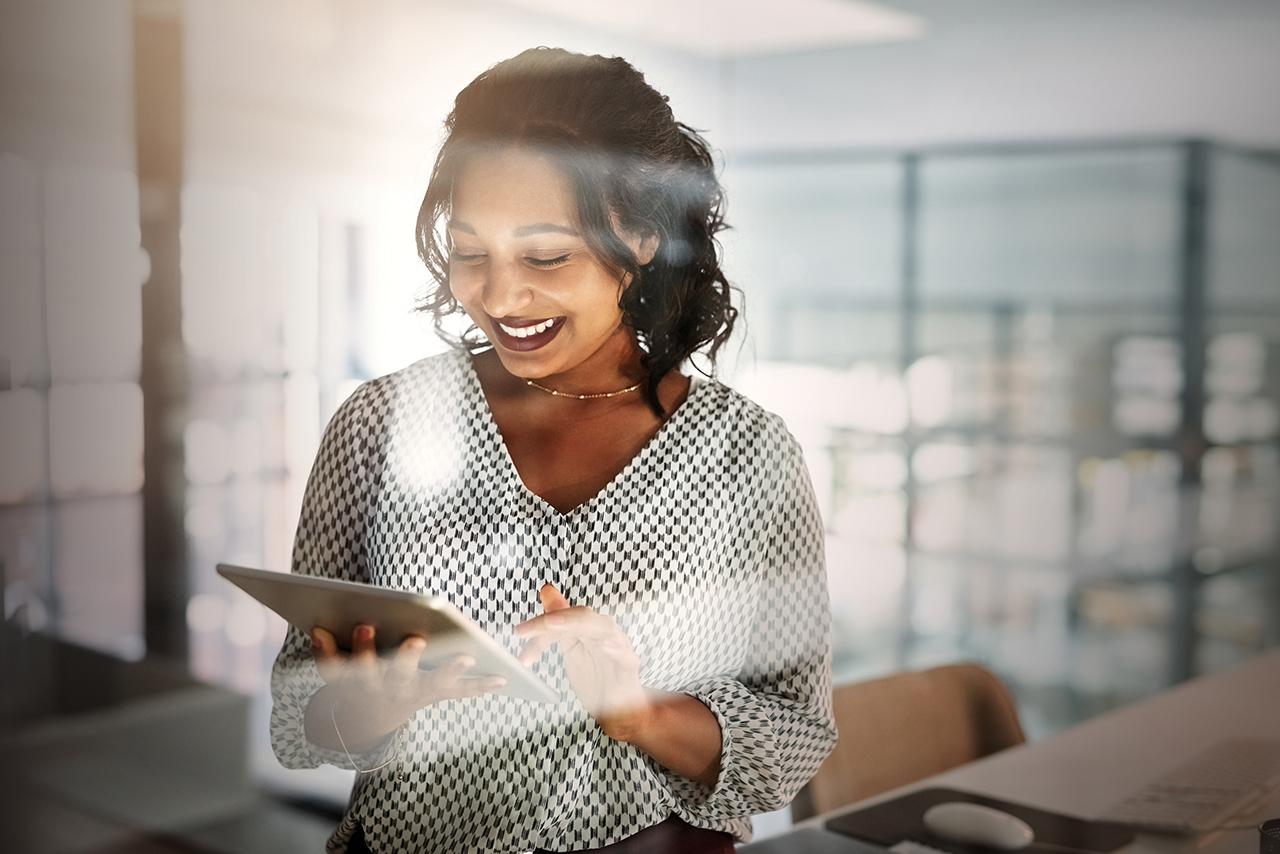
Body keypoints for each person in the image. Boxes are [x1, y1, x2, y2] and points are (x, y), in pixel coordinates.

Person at [269, 47, 836, 854]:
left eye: (546, 256)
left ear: (642, 237)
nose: (500, 298)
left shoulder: (745, 455)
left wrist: (636, 713)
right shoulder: (378, 424)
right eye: (471, 253)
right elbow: (299, 720)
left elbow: (793, 735)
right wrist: (365, 711)